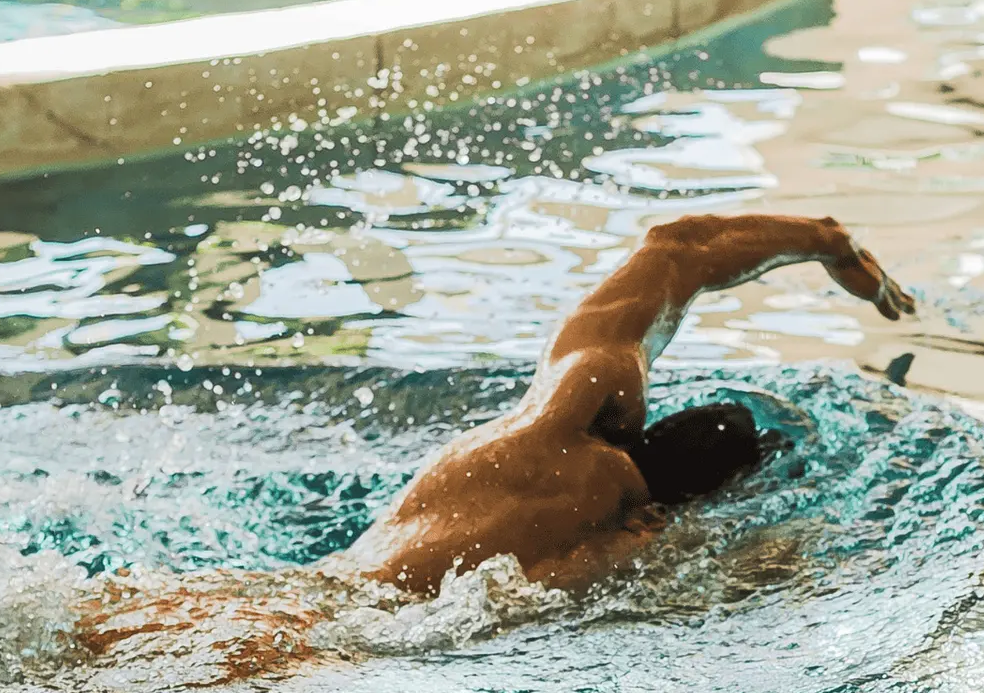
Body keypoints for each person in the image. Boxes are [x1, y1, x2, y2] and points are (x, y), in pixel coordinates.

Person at [333, 213, 916, 596]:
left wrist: (828, 242)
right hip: (364, 647)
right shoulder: (639, 544)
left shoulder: (559, 411)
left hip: (313, 590)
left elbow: (677, 246)